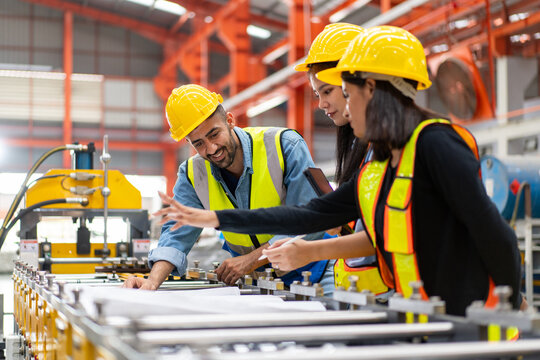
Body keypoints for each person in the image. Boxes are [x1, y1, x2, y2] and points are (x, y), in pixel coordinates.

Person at [153, 27, 523, 317]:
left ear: (372, 90)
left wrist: (511, 309)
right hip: (422, 312)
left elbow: (496, 237)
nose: (335, 106)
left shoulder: (435, 144)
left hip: (466, 317)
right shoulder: (382, 163)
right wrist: (213, 217)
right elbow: (313, 213)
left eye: (343, 92)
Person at [123, 84, 334, 295]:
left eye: (214, 134)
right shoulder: (192, 174)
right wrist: (151, 281)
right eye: (199, 143)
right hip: (259, 283)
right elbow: (176, 233)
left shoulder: (284, 146)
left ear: (230, 121)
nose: (211, 149)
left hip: (316, 272)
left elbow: (310, 221)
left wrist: (252, 260)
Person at [295, 23, 387, 295]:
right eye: (317, 94)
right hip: (368, 297)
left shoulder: (395, 149)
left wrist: (311, 250)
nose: (321, 104)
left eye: (328, 91)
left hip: (392, 299)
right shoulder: (362, 148)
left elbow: (384, 238)